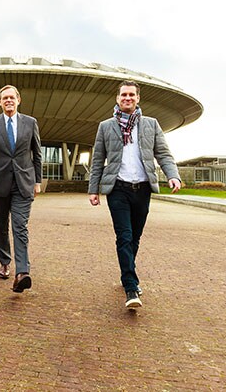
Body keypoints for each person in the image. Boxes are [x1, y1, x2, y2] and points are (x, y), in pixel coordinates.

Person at [88, 80, 182, 310]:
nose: (127, 98)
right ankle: (131, 286)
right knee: (125, 236)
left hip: (142, 188)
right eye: (123, 95)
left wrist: (173, 175)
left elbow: (163, 154)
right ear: (117, 99)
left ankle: (126, 273)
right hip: (117, 188)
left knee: (135, 237)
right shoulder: (106, 126)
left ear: (138, 98)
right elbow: (98, 159)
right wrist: (93, 189)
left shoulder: (151, 124)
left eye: (131, 95)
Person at [0, 85, 42, 293]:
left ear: (18, 100)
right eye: (4, 98)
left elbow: (37, 154)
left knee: (20, 226)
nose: (8, 101)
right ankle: (5, 261)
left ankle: (22, 272)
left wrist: (38, 181)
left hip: (24, 183)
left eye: (11, 98)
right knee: (2, 226)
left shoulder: (30, 123)